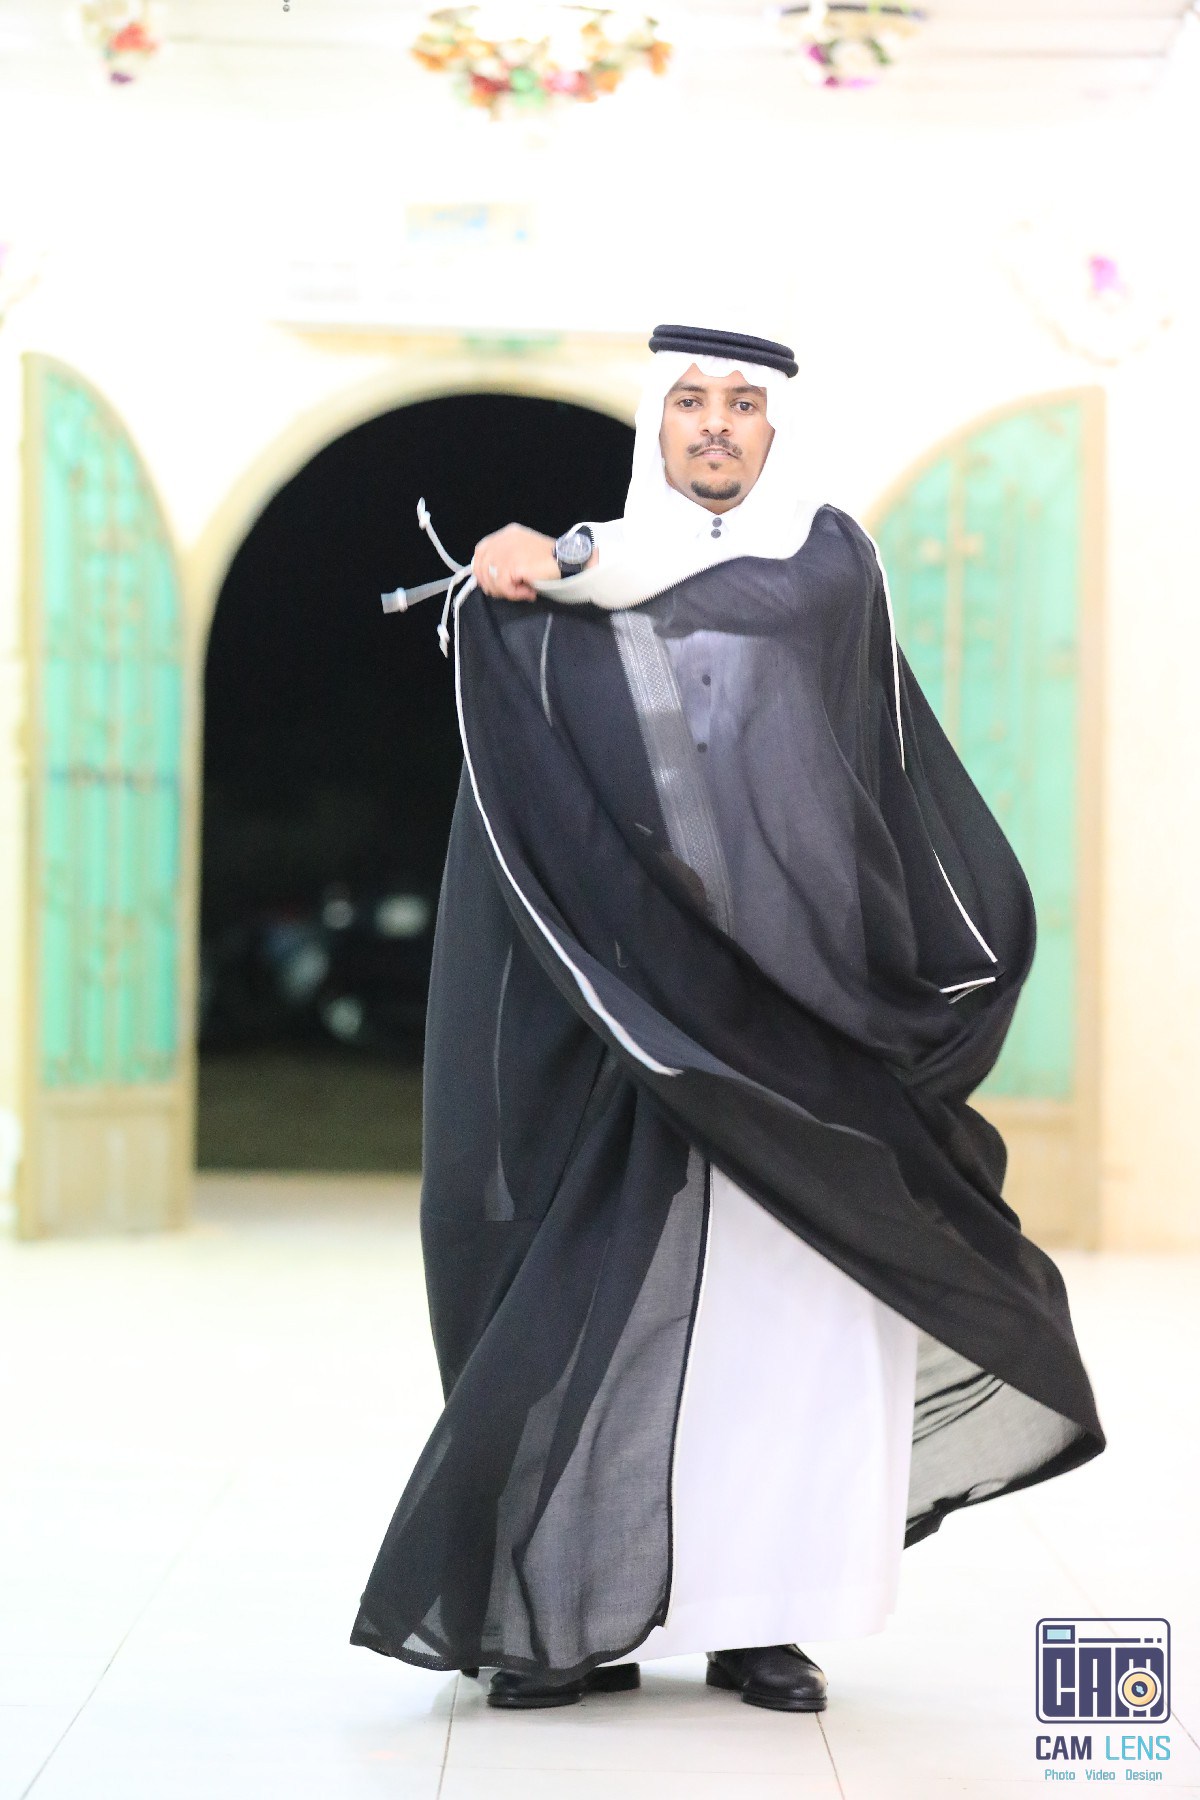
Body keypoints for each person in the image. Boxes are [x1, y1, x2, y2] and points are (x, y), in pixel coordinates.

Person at [353, 323, 1104, 1714]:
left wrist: (567, 558)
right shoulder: (602, 571)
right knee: (602, 1305)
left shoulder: (826, 565)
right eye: (690, 400)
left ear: (776, 426)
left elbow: (715, 593)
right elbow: (623, 594)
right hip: (643, 1014)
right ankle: (575, 1618)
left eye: (742, 403)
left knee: (788, 1327)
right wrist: (541, 573)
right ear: (659, 422)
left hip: (803, 1013)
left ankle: (763, 1622)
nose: (714, 423)